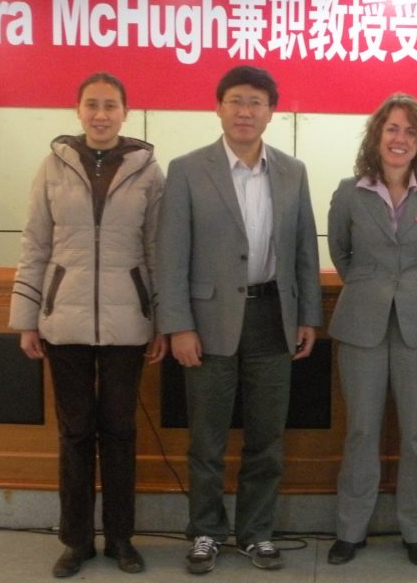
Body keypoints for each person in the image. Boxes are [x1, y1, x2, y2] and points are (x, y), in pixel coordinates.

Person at [155, 65, 322, 575]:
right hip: (207, 323)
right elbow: (170, 255)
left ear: (271, 112)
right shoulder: (188, 169)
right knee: (206, 439)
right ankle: (206, 531)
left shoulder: (292, 171)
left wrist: (308, 315)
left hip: (273, 315)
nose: (245, 111)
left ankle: (256, 533)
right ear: (218, 107)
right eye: (236, 101)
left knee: (266, 439)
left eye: (256, 102)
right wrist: (178, 325)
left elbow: (303, 251)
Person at [8, 72, 166, 578]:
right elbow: (35, 245)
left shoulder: (148, 170)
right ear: (78, 110)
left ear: (125, 112)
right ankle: (76, 541)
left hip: (127, 323)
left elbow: (158, 250)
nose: (101, 115)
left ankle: (121, 539)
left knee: (119, 431)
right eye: (92, 105)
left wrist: (162, 321)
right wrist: (27, 318)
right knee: (75, 433)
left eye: (110, 106)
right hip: (65, 323)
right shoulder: (53, 166)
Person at [326, 93, 417, 567]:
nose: (400, 138)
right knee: (361, 430)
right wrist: (371, 287)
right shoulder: (350, 192)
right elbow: (341, 252)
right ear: (377, 136)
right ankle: (351, 529)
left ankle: (416, 531)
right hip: (361, 324)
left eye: (410, 131)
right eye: (392, 129)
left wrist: (409, 290)